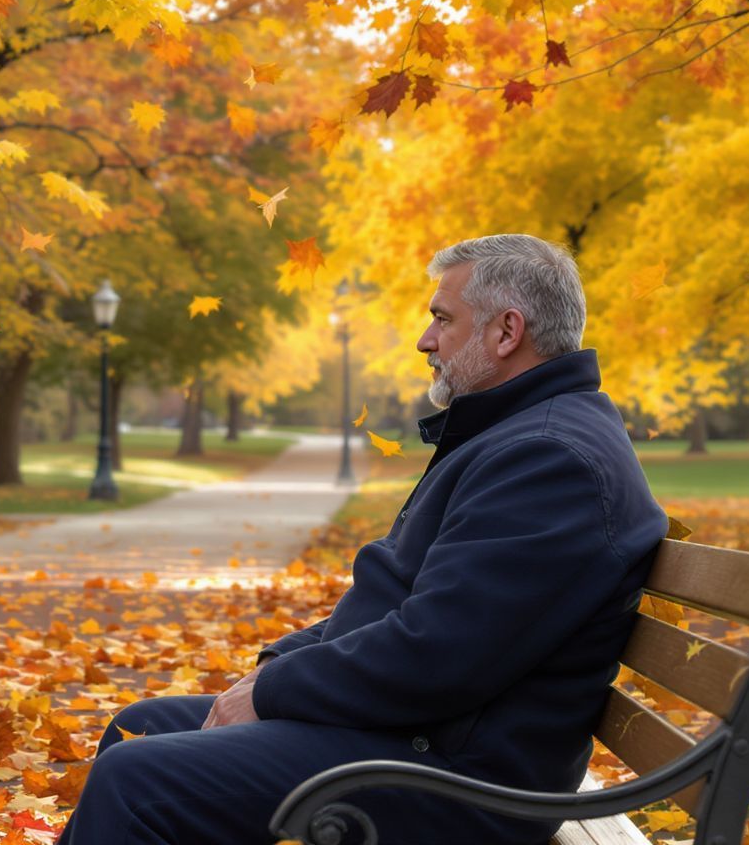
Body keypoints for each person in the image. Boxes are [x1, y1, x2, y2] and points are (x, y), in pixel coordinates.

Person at [56, 234, 668, 845]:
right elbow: (401, 607)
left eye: (442, 319)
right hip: (420, 736)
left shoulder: (549, 459)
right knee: (141, 727)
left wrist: (274, 692)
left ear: (507, 332)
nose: (425, 341)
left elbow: (437, 655)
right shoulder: (520, 436)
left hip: (461, 782)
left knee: (135, 777)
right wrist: (277, 666)